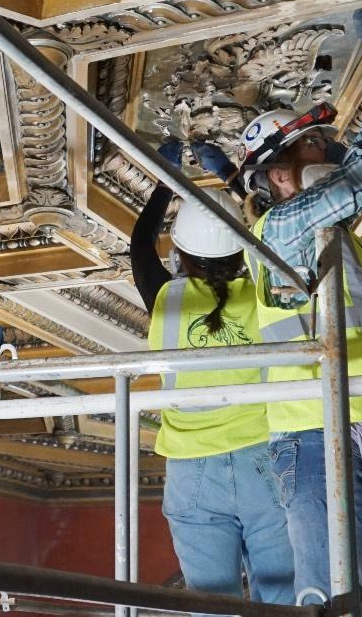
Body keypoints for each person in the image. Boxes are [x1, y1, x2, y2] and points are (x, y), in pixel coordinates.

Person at [233, 2, 362, 609]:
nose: (331, 153)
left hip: (345, 420)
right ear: (283, 176)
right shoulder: (286, 227)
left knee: (345, 591)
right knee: (329, 594)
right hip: (315, 431)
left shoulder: (332, 239)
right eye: (317, 146)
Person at [134, 143, 295, 605]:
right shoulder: (266, 290)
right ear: (243, 252)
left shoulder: (167, 299)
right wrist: (230, 176)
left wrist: (165, 182)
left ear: (181, 255)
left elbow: (140, 245)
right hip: (265, 458)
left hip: (191, 468)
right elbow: (276, 233)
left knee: (210, 605)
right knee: (283, 602)